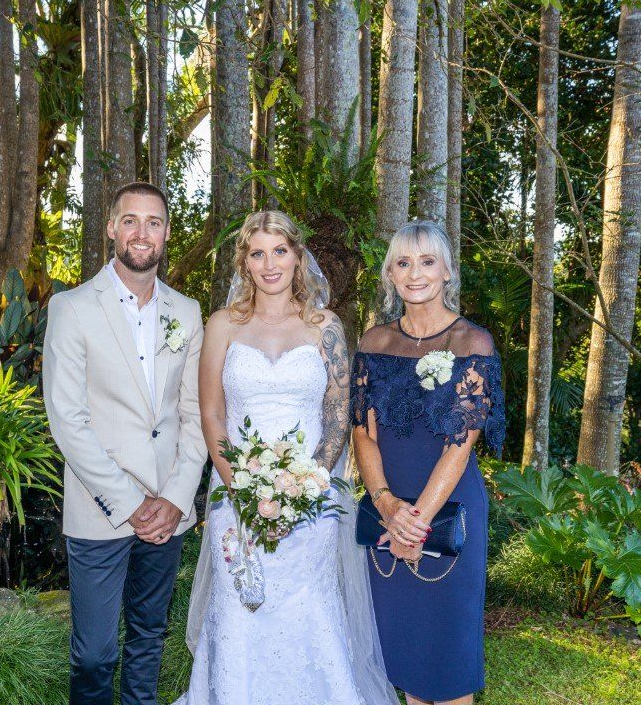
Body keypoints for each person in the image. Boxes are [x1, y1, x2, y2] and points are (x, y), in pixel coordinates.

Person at [177, 210, 398, 705]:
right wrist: (244, 492)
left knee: (310, 609)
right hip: (235, 496)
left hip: (313, 500)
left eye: (279, 251)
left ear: (298, 257)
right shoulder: (221, 326)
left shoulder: (325, 327)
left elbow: (340, 413)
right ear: (245, 263)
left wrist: (308, 486)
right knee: (240, 608)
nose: (269, 263)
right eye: (258, 253)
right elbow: (212, 413)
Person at [42, 181, 208, 705]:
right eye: (131, 221)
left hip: (168, 508)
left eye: (154, 222)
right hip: (101, 507)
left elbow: (193, 414)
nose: (142, 233)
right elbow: (68, 419)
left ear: (165, 234)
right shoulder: (71, 308)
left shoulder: (187, 312)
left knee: (148, 639)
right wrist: (132, 503)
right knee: (94, 652)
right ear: (111, 228)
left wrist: (176, 497)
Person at [352, 220, 505, 705]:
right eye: (403, 262)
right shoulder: (374, 344)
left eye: (426, 261)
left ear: (447, 272)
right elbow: (362, 432)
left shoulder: (471, 344)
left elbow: (460, 445)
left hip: (449, 508)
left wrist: (414, 522)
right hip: (387, 505)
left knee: (449, 660)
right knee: (409, 657)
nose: (414, 273)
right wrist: (387, 505)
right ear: (390, 276)